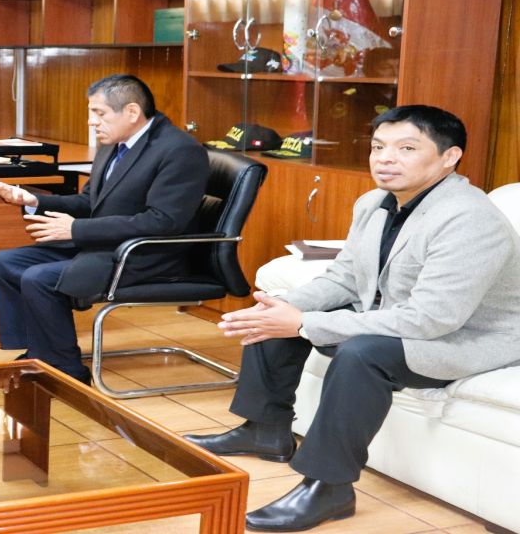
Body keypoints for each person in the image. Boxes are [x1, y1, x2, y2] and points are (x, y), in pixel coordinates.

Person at [186, 105, 520, 531]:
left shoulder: (469, 219)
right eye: (379, 147)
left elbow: (431, 319)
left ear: (449, 157)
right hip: (404, 318)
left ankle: (329, 487)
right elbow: (344, 278)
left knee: (362, 352)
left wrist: (303, 324)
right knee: (279, 311)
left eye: (407, 148)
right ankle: (264, 430)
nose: (386, 158)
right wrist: (285, 309)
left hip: (465, 339)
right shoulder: (374, 203)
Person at [0, 74, 209, 383]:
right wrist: (34, 200)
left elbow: (162, 221)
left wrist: (76, 230)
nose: (92, 122)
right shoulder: (113, 143)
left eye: (99, 113)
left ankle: (67, 371)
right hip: (103, 244)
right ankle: (39, 352)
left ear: (131, 112)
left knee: (40, 278)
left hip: (146, 254)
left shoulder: (178, 150)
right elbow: (89, 201)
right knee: (3, 263)